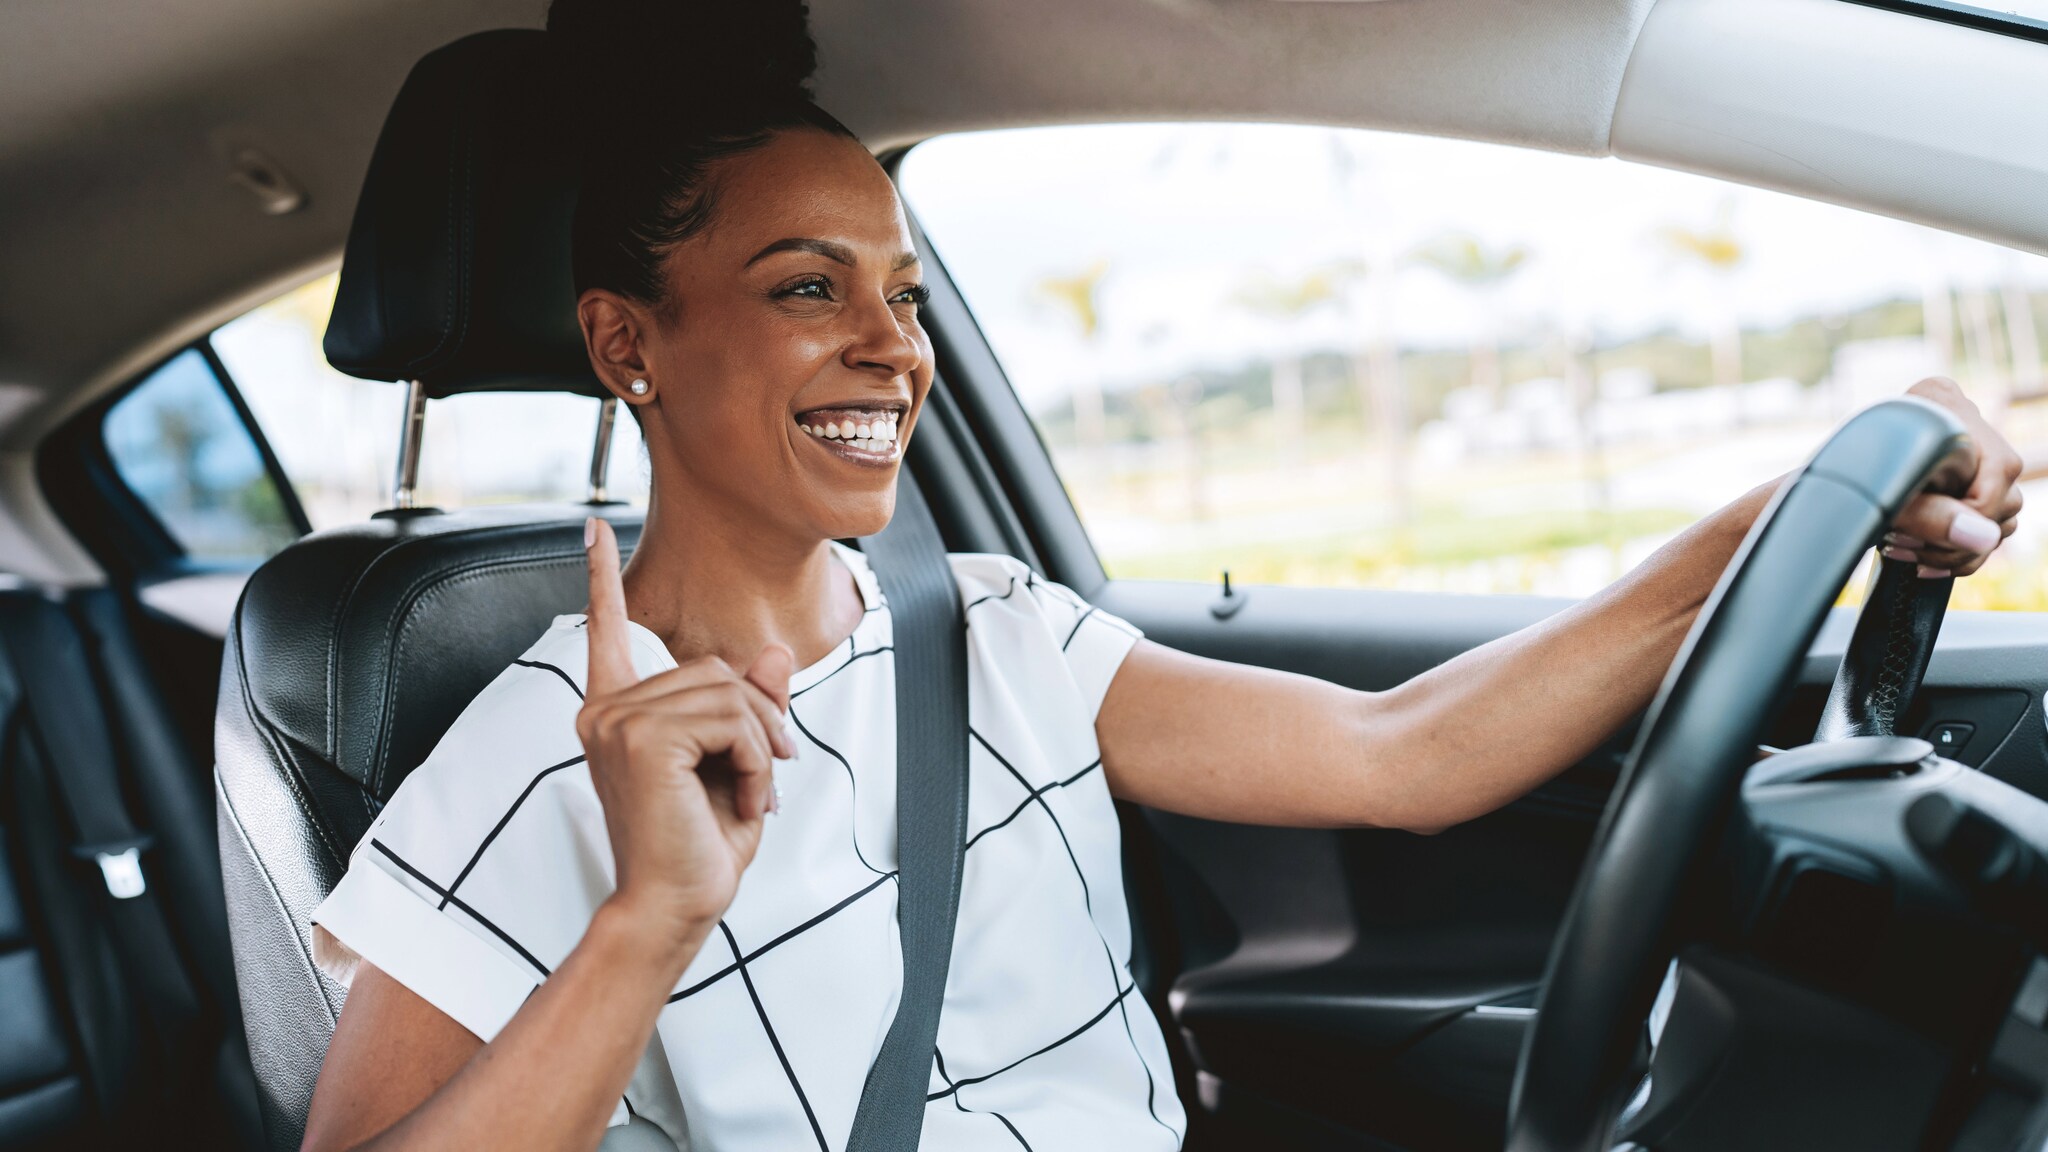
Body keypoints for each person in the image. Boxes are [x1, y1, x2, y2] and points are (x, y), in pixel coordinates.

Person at [296, 1, 2025, 1149]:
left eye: (901, 293)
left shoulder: (998, 629)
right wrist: (646, 921)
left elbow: (1401, 758)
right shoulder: (534, 757)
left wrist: (1795, 498)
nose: (893, 349)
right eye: (807, 287)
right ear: (628, 342)